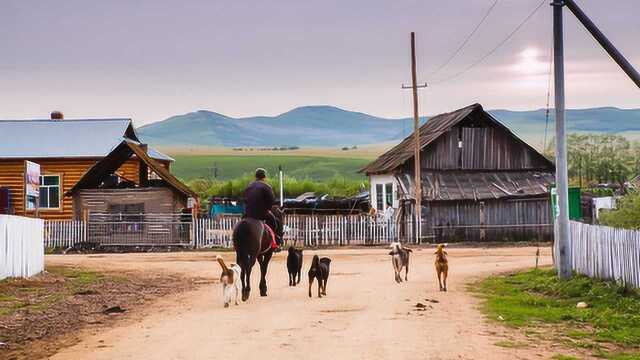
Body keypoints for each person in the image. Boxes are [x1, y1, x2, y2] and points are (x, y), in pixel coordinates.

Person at [243, 168, 283, 247]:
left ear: (255, 177)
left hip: (248, 213)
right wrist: (267, 209)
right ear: (264, 177)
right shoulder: (266, 186)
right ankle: (276, 241)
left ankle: (236, 242)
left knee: (242, 223)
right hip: (261, 213)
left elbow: (245, 199)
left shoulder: (249, 186)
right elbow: (271, 201)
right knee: (275, 222)